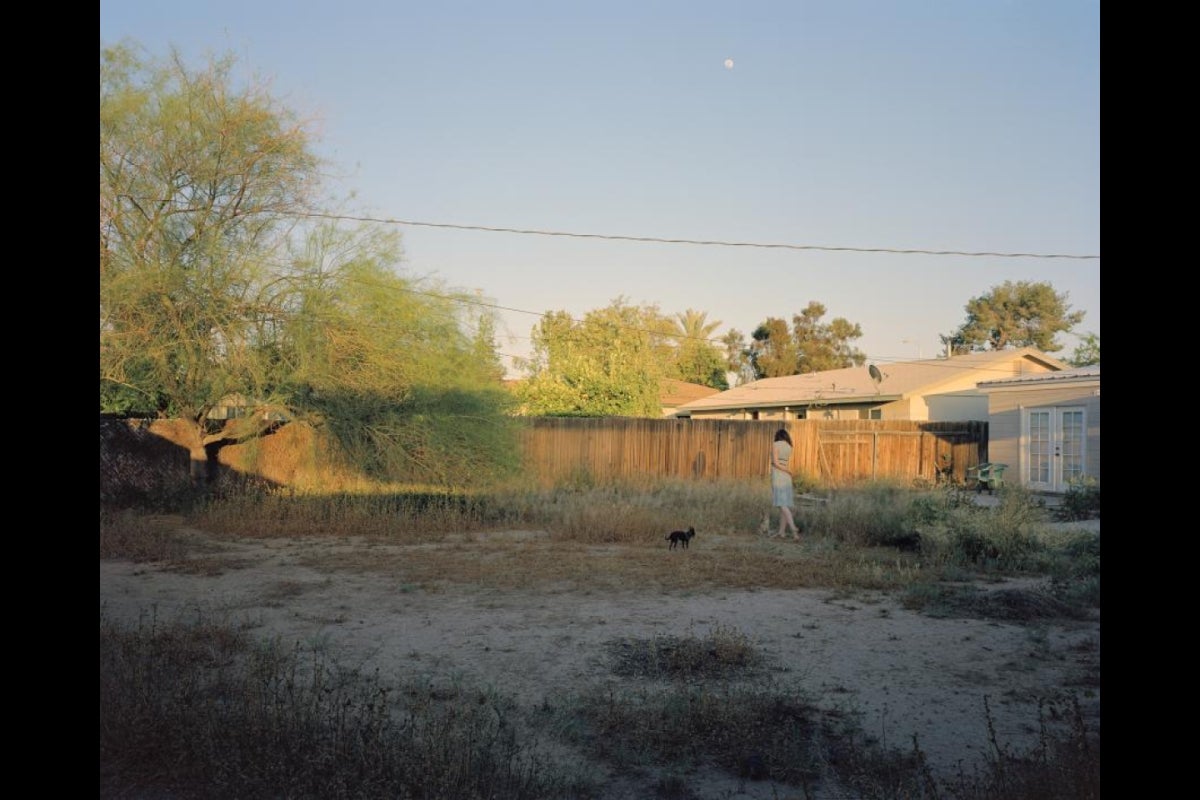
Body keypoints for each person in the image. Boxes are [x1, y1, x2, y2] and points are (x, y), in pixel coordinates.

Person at [769, 428, 800, 540]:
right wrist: (788, 471)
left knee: (781, 504)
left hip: (778, 475)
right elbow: (784, 462)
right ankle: (781, 533)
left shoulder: (775, 444)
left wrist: (786, 470)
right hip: (787, 477)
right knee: (784, 504)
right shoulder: (789, 447)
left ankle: (793, 528)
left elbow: (776, 463)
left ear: (777, 436)